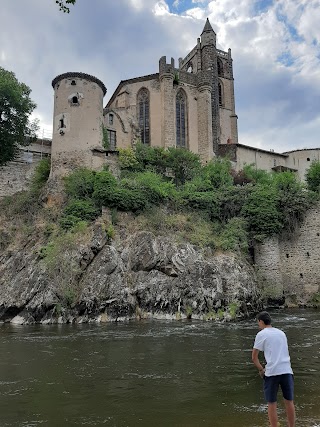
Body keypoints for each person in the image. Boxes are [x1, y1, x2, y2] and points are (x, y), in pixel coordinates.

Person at [252, 311, 296, 427]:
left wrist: (261, 370)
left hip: (272, 373)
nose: (258, 325)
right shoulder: (281, 333)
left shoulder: (261, 334)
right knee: (289, 401)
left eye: (258, 323)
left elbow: (254, 357)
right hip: (287, 370)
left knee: (272, 403)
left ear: (261, 322)